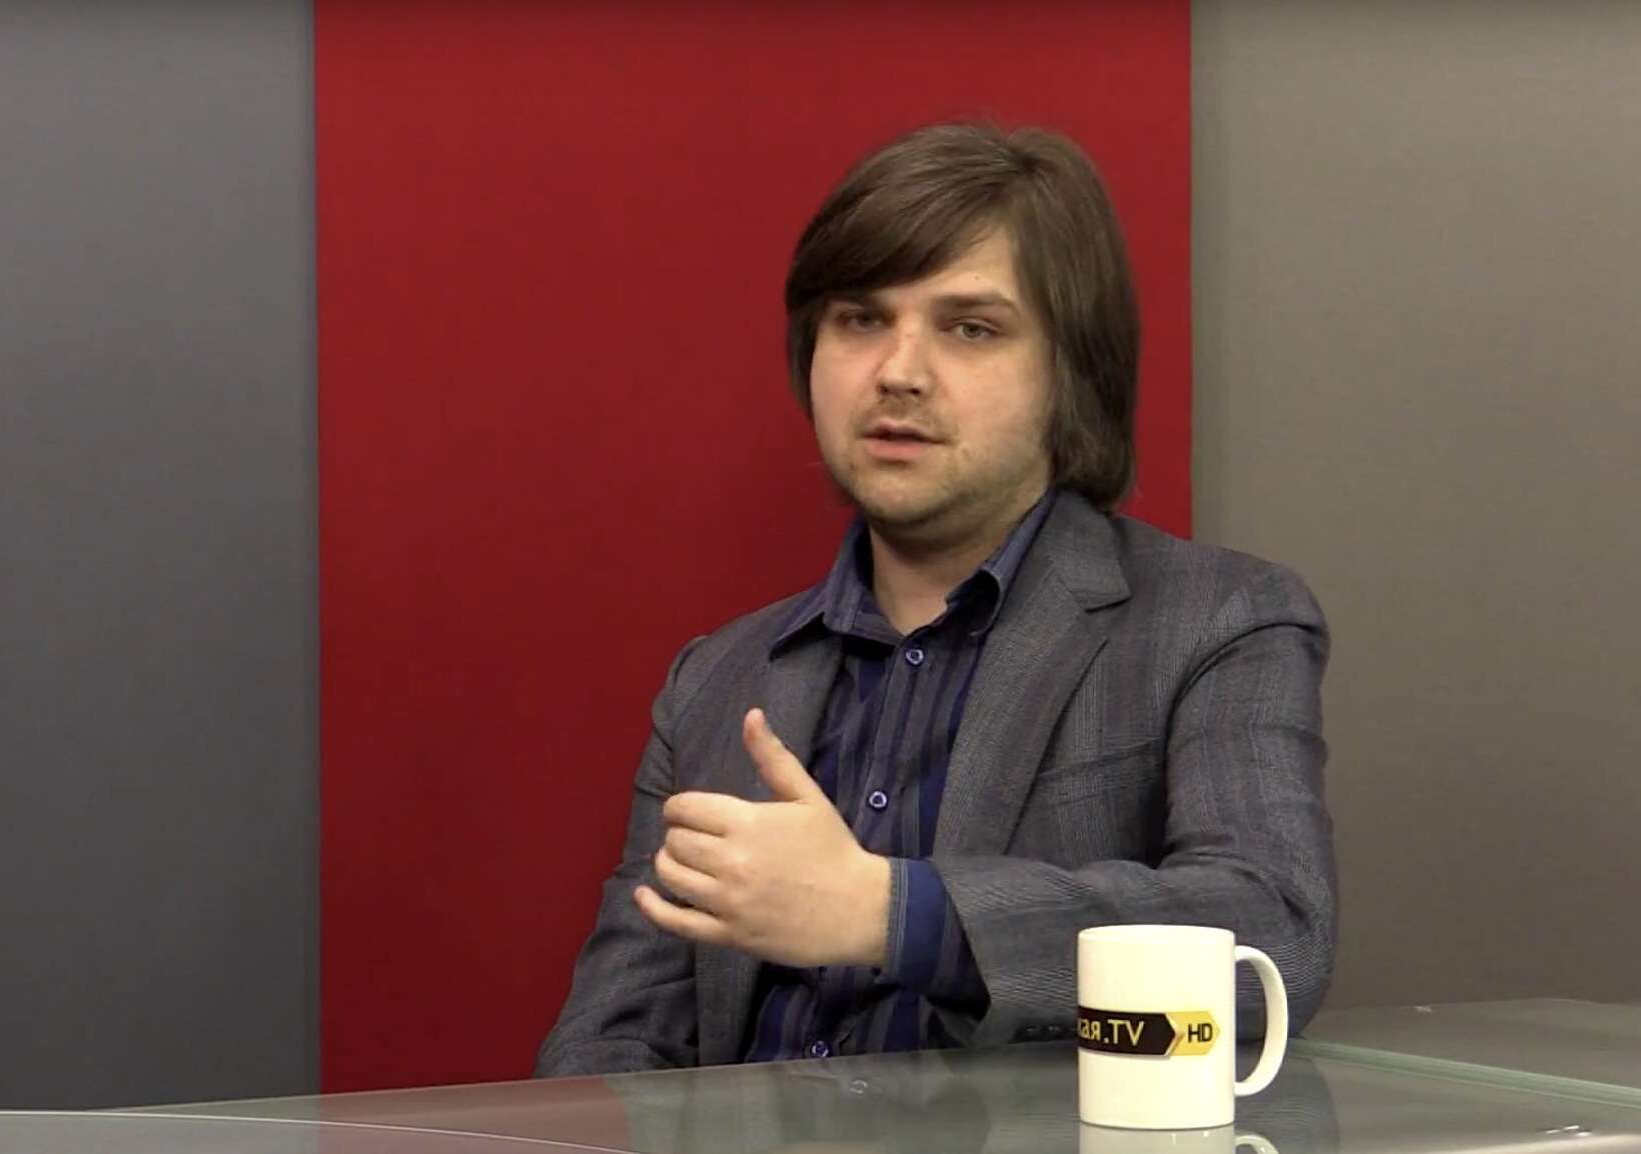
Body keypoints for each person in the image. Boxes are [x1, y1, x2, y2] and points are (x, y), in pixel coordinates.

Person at [535, 122, 1335, 1077]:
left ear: (1071, 373)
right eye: (861, 320)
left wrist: (890, 914)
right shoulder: (714, 680)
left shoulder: (1219, 622)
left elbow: (1270, 938)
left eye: (970, 328)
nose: (899, 372)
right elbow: (612, 1039)